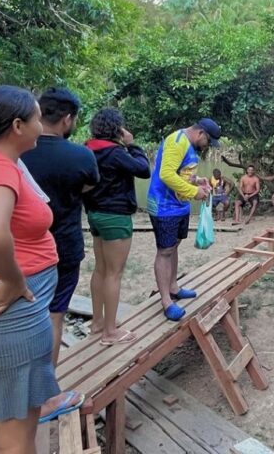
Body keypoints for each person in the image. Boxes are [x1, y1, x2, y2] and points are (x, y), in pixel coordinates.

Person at [0, 85, 80, 453]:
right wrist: (13, 279)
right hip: (11, 321)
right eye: (38, 119)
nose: (44, 125)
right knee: (15, 439)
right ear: (18, 126)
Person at [21, 88, 98, 367]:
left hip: (20, 251)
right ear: (67, 119)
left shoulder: (16, 152)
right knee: (55, 314)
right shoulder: (82, 156)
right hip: (64, 246)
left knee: (21, 314)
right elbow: (87, 186)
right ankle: (46, 384)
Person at [84, 109, 150, 345]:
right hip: (115, 216)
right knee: (114, 273)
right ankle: (110, 333)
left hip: (94, 215)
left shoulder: (87, 149)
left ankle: (98, 321)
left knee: (100, 269)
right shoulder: (115, 153)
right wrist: (133, 145)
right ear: (118, 129)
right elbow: (143, 170)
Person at [147, 118, 219, 320]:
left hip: (179, 205)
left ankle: (174, 287)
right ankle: (166, 301)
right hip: (164, 206)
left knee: (174, 246)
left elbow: (181, 173)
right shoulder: (176, 141)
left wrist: (197, 180)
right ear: (201, 134)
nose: (207, 146)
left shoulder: (188, 145)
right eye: (208, 142)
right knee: (165, 250)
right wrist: (193, 191)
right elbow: (166, 175)